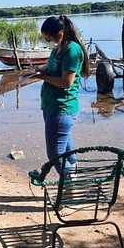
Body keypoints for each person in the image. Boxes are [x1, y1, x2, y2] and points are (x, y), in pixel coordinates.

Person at [30, 15, 90, 174]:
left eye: (49, 39)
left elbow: (66, 82)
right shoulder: (58, 48)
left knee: (55, 155)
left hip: (62, 107)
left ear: (60, 34)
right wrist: (37, 71)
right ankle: (73, 174)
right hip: (51, 106)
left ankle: (70, 187)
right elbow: (53, 70)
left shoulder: (72, 50)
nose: (49, 43)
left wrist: (42, 77)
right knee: (65, 149)